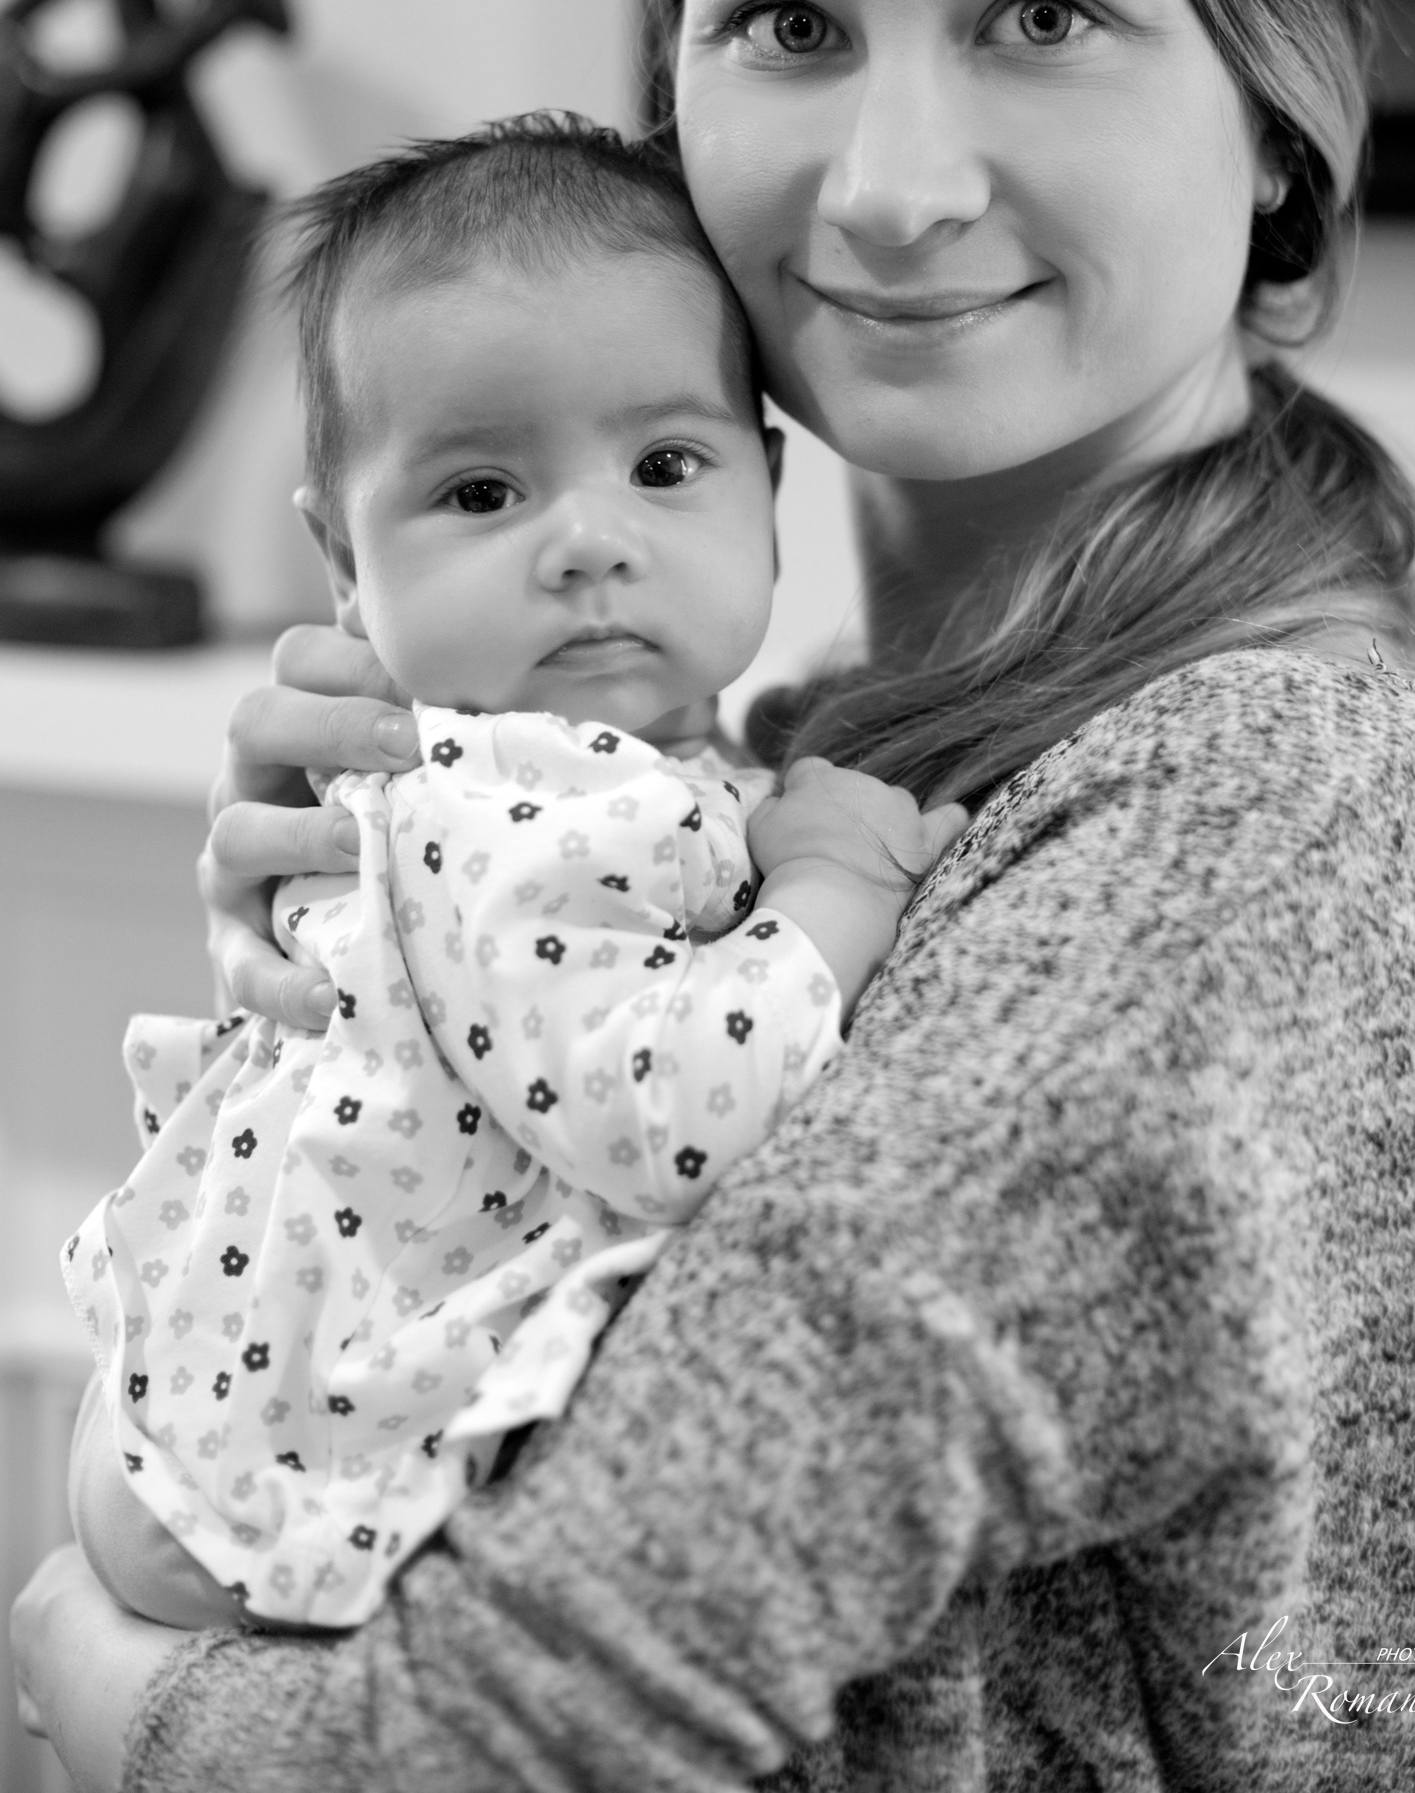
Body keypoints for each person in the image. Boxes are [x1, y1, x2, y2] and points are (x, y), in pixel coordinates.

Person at [14, 0, 1415, 1792]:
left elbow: (472, 1747)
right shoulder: (834, 741)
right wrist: (387, 972)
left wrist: (96, 1675)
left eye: (1041, 16)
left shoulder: (1252, 823)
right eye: (786, 25)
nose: (891, 186)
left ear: (1277, 99)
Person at [62, 115, 962, 1632]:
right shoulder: (508, 806)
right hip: (297, 1474)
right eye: (482, 493)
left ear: (765, 487)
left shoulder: (633, 774)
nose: (589, 543)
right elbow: (675, 1116)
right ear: (344, 566)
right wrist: (838, 893)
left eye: (665, 465)